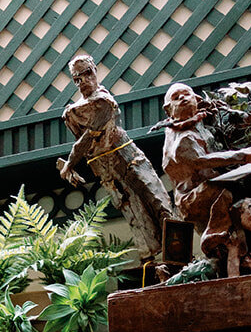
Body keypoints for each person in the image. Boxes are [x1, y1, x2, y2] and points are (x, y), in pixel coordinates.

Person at [57, 53, 172, 256]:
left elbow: (87, 139)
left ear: (94, 71)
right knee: (132, 210)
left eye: (86, 73)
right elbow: (84, 142)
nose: (83, 81)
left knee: (155, 198)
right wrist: (70, 165)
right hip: (105, 166)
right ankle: (151, 260)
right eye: (77, 78)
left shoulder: (103, 102)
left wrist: (69, 164)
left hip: (126, 155)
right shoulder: (72, 112)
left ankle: (178, 252)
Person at [161, 82, 251, 255]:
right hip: (193, 197)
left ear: (196, 100)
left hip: (211, 184)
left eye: (186, 94)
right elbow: (199, 161)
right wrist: (243, 155)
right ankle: (215, 238)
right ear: (168, 110)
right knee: (225, 193)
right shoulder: (180, 137)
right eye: (175, 98)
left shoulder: (198, 125)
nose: (182, 98)